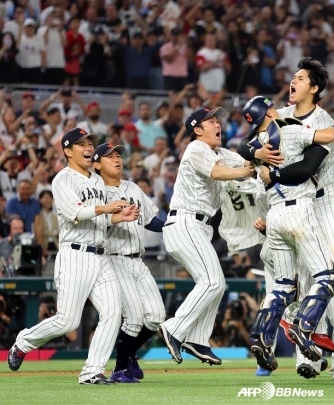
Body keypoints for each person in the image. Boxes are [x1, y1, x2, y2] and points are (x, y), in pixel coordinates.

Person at [246, 58, 334, 381]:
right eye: (292, 77)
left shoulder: (324, 121)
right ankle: (306, 355)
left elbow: (309, 166)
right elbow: (249, 142)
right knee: (302, 277)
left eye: (300, 78)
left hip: (328, 201)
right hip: (300, 207)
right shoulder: (281, 116)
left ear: (314, 88)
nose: (292, 82)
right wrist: (256, 154)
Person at [7, 127, 139, 385]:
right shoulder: (62, 179)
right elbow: (76, 213)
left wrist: (116, 217)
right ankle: (23, 342)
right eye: (81, 144)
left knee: (113, 312)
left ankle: (92, 372)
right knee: (67, 322)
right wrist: (106, 207)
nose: (88, 147)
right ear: (67, 151)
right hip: (75, 255)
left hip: (101, 256)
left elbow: (100, 219)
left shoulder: (98, 180)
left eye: (89, 142)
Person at [240, 95, 334, 372]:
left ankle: (261, 337)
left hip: (274, 215)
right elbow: (330, 135)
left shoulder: (255, 143)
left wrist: (255, 155)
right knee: (329, 278)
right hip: (299, 210)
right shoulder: (289, 126)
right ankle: (303, 325)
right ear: (270, 110)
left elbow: (243, 148)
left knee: (284, 285)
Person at [158, 107, 254, 366]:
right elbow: (218, 173)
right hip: (185, 221)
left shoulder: (219, 152)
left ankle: (198, 339)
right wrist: (245, 171)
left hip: (199, 227)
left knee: (216, 284)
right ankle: (175, 329)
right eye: (210, 120)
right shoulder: (196, 148)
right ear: (197, 130)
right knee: (212, 282)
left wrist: (259, 155)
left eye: (217, 120)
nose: (217, 123)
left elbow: (247, 164)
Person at [92, 142, 166, 383]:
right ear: (96, 164)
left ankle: (129, 354)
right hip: (113, 259)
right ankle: (120, 369)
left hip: (137, 260)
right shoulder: (95, 192)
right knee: (133, 317)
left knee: (156, 315)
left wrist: (176, 224)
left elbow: (152, 220)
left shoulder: (132, 187)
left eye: (118, 155)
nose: (116, 159)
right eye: (109, 156)